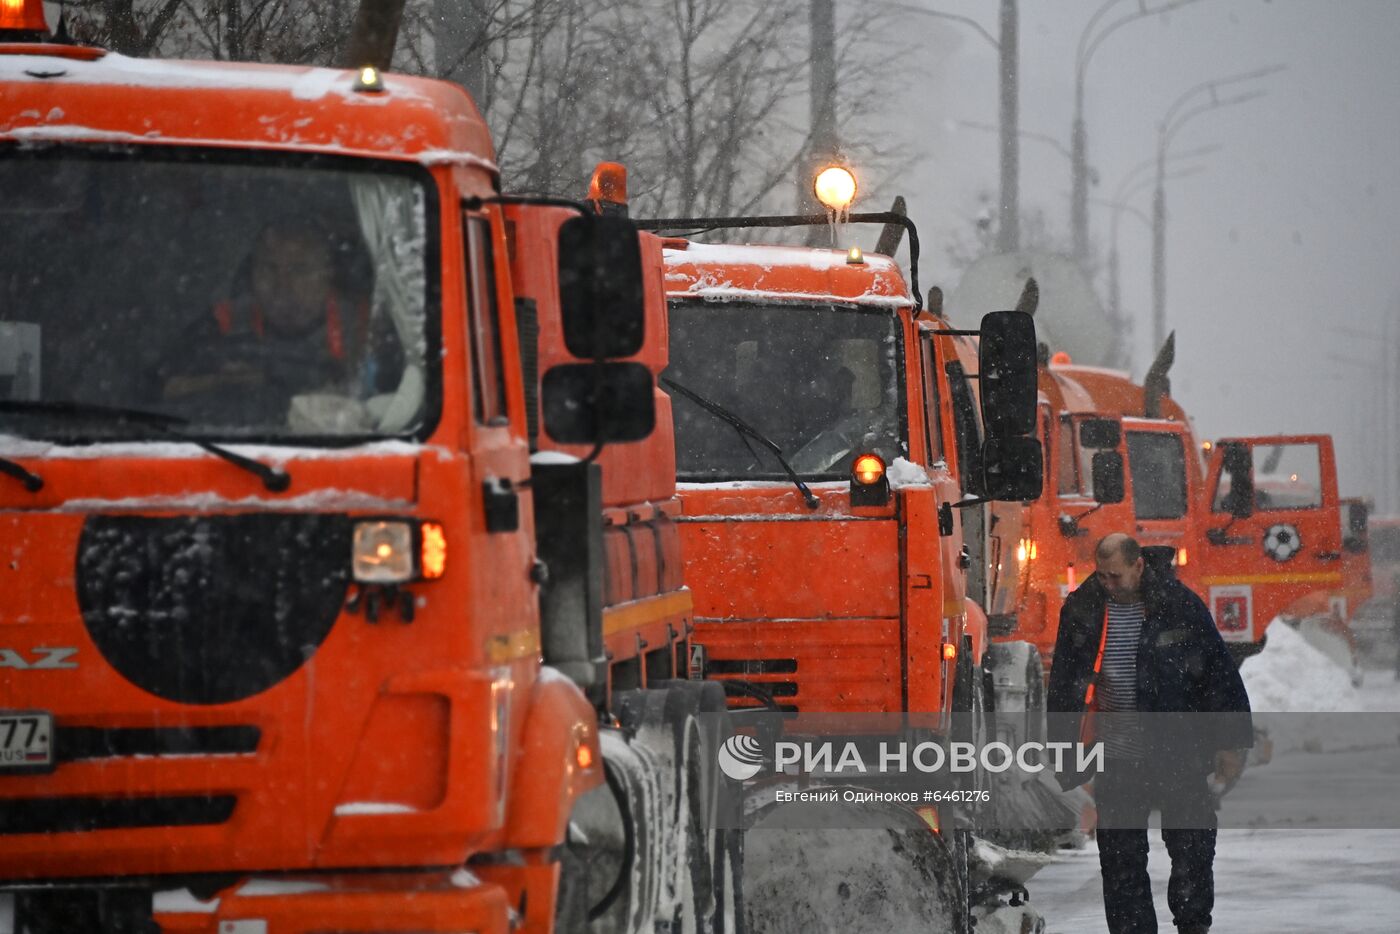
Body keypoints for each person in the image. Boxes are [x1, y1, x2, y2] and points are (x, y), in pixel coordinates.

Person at [1048, 533, 1252, 934]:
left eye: (1117, 576)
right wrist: (1062, 749)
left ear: (1138, 565)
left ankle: (1193, 925)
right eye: (1102, 576)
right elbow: (1064, 684)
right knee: (1121, 861)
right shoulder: (1084, 609)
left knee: (1192, 850)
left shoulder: (1178, 606)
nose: (1109, 584)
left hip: (1178, 755)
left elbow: (1218, 674)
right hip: (1118, 761)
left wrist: (1230, 742)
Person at [160, 217, 387, 424]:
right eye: (269, 269)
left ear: (327, 274)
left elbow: (396, 407)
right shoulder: (224, 322)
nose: (283, 284)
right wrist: (222, 381)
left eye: (299, 269)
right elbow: (156, 390)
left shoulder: (364, 326)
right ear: (253, 274)